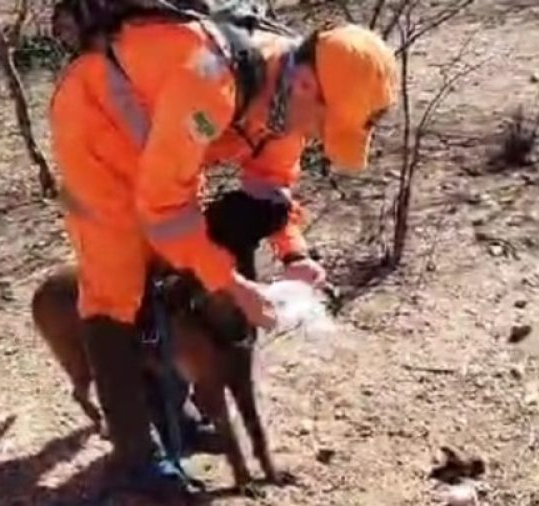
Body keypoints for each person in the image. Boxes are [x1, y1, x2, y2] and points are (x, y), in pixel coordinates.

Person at [49, 0, 398, 495]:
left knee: (174, 269)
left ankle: (176, 417)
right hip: (96, 131)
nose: (318, 137)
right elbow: (165, 207)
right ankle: (134, 454)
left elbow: (271, 182)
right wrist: (231, 284)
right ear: (306, 86)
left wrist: (295, 254)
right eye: (323, 125)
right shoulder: (210, 80)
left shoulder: (287, 92)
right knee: (117, 289)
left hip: (159, 144)